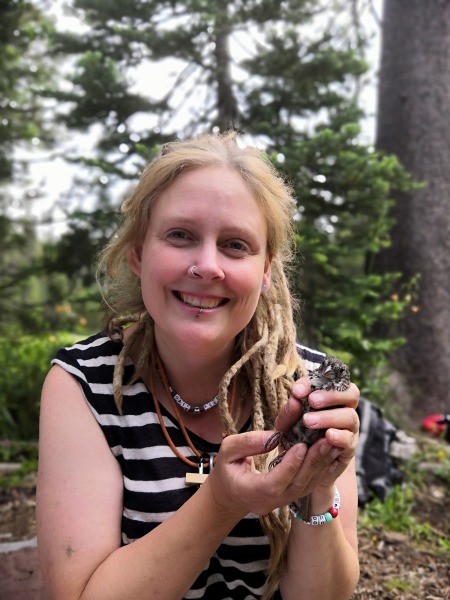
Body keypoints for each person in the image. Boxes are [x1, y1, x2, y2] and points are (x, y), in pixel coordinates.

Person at [36, 131, 360, 600]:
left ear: (266, 270)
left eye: (235, 244)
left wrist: (316, 481)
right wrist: (221, 503)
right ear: (138, 253)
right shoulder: (84, 384)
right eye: (181, 235)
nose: (207, 266)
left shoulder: (308, 389)